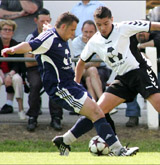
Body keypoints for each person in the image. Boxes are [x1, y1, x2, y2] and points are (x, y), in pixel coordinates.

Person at [57, 6, 160, 152]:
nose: (103, 28)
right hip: (123, 78)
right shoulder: (94, 41)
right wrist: (76, 86)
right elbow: (80, 63)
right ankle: (65, 140)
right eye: (99, 25)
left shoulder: (123, 27)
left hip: (141, 73)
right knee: (97, 111)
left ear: (112, 19)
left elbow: (154, 25)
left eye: (105, 23)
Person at [1, 12, 139, 156]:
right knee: (97, 112)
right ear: (64, 27)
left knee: (95, 113)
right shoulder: (49, 38)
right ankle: (118, 150)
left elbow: (49, 32)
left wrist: (49, 28)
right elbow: (29, 45)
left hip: (72, 85)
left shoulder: (57, 35)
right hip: (61, 88)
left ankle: (65, 141)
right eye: (72, 30)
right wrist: (13, 50)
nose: (74, 33)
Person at [24, 8, 63, 132]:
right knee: (35, 85)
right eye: (42, 21)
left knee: (55, 85)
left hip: (51, 69)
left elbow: (60, 57)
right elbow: (28, 62)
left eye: (47, 21)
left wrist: (38, 56)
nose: (45, 24)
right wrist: (47, 57)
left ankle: (56, 118)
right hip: (35, 69)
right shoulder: (31, 36)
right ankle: (32, 117)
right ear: (36, 21)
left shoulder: (57, 36)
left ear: (51, 20)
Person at [126, 31, 160, 127]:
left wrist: (139, 47)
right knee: (128, 86)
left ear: (149, 33)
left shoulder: (156, 36)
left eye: (144, 31)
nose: (141, 33)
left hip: (156, 71)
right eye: (139, 31)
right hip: (135, 72)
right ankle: (133, 116)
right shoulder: (130, 38)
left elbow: (157, 43)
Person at [71, 20, 112, 102]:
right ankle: (102, 101)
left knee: (89, 79)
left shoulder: (100, 40)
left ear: (95, 32)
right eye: (86, 32)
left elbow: (97, 63)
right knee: (92, 70)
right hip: (82, 70)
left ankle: (94, 106)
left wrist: (90, 44)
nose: (88, 35)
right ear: (82, 30)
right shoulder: (76, 41)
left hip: (101, 69)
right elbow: (81, 63)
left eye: (91, 32)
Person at [0, 19, 26, 120]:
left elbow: (18, 64)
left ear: (13, 32)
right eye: (5, 29)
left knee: (17, 79)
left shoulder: (16, 45)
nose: (7, 32)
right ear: (0, 31)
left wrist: (10, 75)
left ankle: (21, 110)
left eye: (10, 30)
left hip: (12, 72)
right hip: (0, 71)